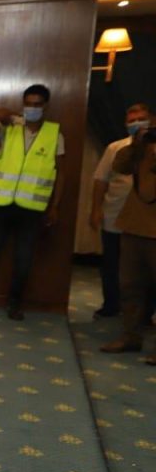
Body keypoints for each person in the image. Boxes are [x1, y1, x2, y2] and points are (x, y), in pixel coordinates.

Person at [0, 83, 66, 320]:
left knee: (24, 258)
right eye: (28, 104)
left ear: (45, 106)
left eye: (37, 104)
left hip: (33, 208)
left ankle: (14, 303)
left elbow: (60, 173)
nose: (32, 108)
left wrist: (55, 206)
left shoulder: (54, 135)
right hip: (2, 203)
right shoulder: (9, 128)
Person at [100, 122, 156, 363]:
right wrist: (137, 144)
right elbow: (120, 166)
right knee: (130, 285)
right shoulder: (143, 148)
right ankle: (131, 335)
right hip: (134, 226)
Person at [89, 103, 150, 318]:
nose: (137, 124)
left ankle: (143, 313)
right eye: (132, 121)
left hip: (146, 222)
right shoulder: (116, 148)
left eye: (141, 119)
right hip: (114, 215)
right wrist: (95, 209)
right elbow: (101, 180)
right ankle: (111, 305)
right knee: (111, 264)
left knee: (143, 269)